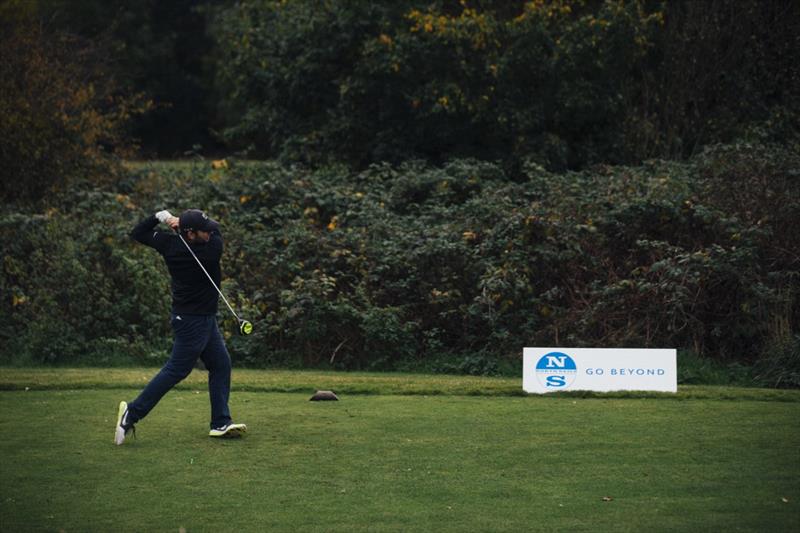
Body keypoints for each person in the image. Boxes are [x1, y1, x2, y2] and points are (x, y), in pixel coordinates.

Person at [115, 209, 247, 445]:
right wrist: (179, 223)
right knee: (177, 370)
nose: (208, 233)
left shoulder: (169, 246)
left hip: (202, 318)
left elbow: (139, 232)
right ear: (191, 234)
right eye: (203, 231)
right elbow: (217, 234)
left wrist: (160, 217)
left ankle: (220, 423)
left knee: (221, 364)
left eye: (207, 229)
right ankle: (131, 413)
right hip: (191, 321)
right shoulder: (211, 251)